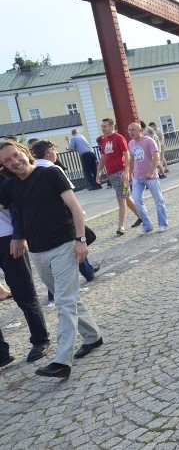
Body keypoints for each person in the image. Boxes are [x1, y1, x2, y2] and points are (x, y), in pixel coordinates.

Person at [0, 141, 103, 379]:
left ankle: (62, 361)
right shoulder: (10, 186)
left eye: (16, 156)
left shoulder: (51, 173)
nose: (15, 162)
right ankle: (93, 336)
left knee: (64, 303)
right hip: (37, 252)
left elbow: (76, 208)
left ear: (25, 153)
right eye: (7, 161)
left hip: (65, 246)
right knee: (68, 300)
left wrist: (80, 240)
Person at [0, 166, 51, 368]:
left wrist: (18, 235)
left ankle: (40, 340)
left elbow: (17, 208)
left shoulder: (4, 178)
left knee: (24, 294)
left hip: (8, 240)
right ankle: (2, 354)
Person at [30, 140, 99, 281]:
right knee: (72, 243)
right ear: (48, 154)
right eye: (54, 151)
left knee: (53, 251)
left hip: (39, 220)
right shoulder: (53, 169)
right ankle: (87, 271)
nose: (56, 154)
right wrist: (77, 211)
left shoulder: (31, 170)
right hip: (61, 215)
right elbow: (68, 195)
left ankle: (86, 271)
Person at [95, 118, 142, 235]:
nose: (103, 128)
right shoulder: (103, 140)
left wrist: (126, 171)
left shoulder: (119, 138)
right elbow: (103, 158)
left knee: (121, 199)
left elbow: (127, 155)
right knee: (125, 196)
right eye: (102, 126)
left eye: (105, 126)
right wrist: (99, 171)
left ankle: (120, 226)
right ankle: (141, 216)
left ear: (112, 127)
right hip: (111, 174)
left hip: (121, 173)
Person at [127, 123, 168, 234]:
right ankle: (147, 225)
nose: (131, 132)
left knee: (158, 200)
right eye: (129, 130)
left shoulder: (149, 141)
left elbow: (156, 157)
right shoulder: (130, 143)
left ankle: (163, 224)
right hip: (137, 177)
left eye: (133, 129)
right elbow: (131, 160)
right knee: (137, 201)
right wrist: (130, 174)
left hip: (151, 176)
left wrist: (151, 171)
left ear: (140, 130)